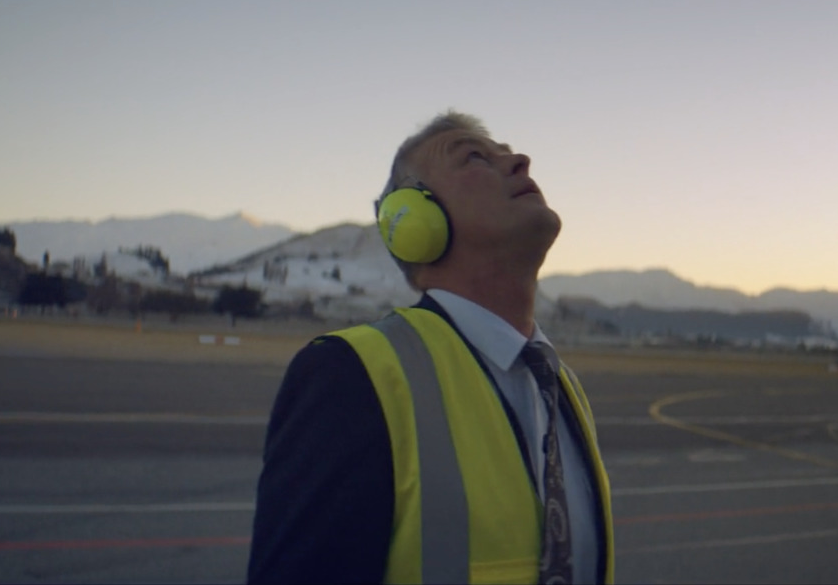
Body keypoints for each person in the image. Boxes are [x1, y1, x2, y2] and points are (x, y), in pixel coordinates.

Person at [248, 110, 614, 585]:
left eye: (509, 153)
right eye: (476, 158)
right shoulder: (352, 374)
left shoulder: (563, 387)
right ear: (416, 219)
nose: (521, 161)